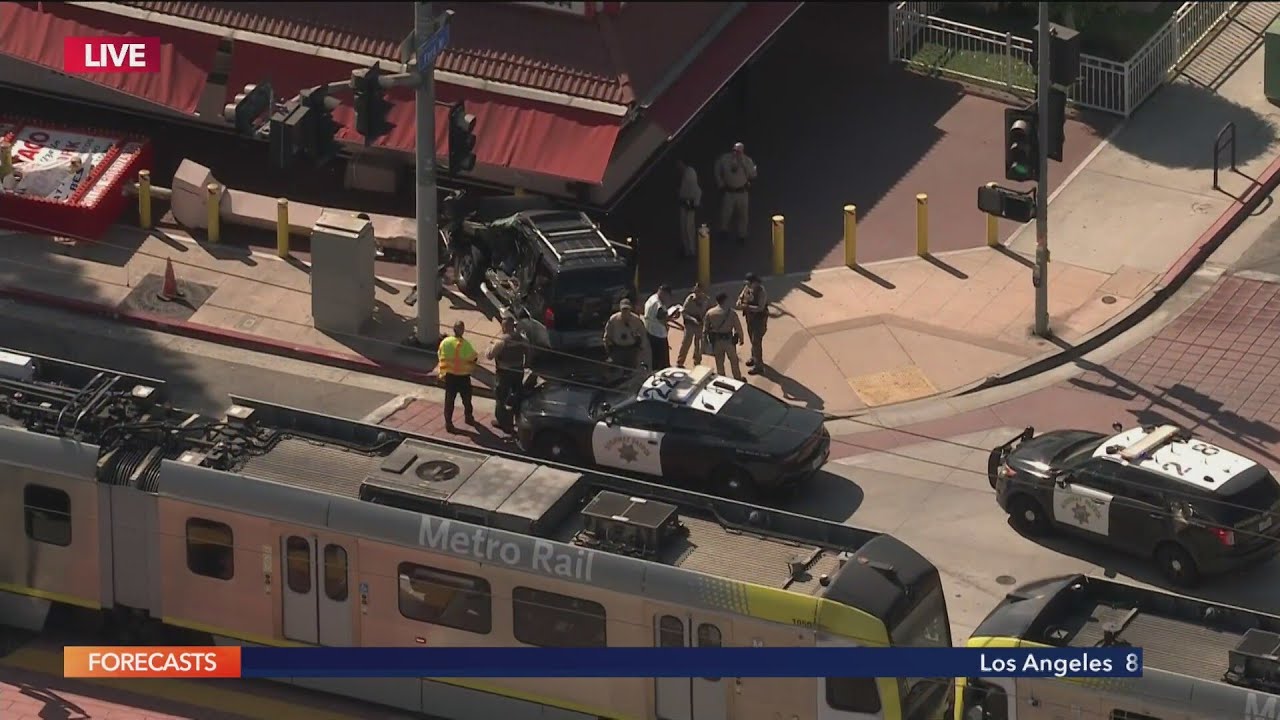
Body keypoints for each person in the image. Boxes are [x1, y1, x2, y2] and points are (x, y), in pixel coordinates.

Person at [486, 315, 527, 432]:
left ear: (504, 327)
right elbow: (529, 352)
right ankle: (517, 419)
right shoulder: (522, 339)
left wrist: (490, 345)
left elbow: (489, 355)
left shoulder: (502, 341)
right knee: (517, 395)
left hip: (504, 373)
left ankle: (502, 422)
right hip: (518, 371)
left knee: (501, 397)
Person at [437, 321, 478, 432]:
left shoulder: (445, 342)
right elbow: (474, 358)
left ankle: (448, 423)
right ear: (462, 330)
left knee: (449, 401)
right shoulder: (465, 345)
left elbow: (440, 354)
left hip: (450, 377)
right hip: (463, 377)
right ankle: (468, 418)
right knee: (467, 400)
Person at [714, 142, 758, 245]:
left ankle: (742, 235)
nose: (736, 153)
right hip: (729, 191)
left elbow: (753, 175)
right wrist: (720, 183)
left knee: (743, 215)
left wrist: (743, 164)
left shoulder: (747, 161)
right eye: (734, 150)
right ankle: (724, 230)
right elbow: (717, 167)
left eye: (738, 152)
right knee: (726, 213)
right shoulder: (725, 159)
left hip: (742, 192)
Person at [703, 292, 744, 380]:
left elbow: (705, 329)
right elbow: (738, 327)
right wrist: (741, 338)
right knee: (734, 361)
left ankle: (722, 379)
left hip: (716, 342)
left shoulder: (710, 313)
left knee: (719, 362)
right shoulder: (731, 313)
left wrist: (705, 341)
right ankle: (737, 378)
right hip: (729, 341)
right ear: (725, 300)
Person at [736, 272, 769, 374]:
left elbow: (760, 308)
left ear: (755, 282)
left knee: (756, 342)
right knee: (752, 339)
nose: (748, 285)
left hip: (759, 320)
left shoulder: (761, 292)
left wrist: (747, 307)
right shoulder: (747, 288)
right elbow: (741, 297)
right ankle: (754, 357)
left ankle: (759, 366)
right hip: (750, 319)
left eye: (750, 283)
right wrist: (739, 301)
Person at [603, 299, 650, 370]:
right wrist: (609, 350)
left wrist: (641, 349)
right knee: (617, 371)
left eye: (627, 309)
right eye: (623, 309)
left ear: (630, 309)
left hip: (631, 350)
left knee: (631, 370)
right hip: (618, 349)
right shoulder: (613, 319)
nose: (625, 312)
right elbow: (607, 335)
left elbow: (643, 334)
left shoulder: (636, 320)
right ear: (620, 309)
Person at [643, 284, 678, 371]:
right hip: (658, 334)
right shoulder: (658, 305)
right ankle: (664, 370)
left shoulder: (652, 298)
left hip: (649, 330)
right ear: (665, 294)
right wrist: (671, 315)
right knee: (662, 357)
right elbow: (662, 318)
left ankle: (656, 369)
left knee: (654, 355)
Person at [676, 282, 711, 368]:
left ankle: (697, 362)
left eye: (699, 291)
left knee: (698, 344)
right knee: (686, 342)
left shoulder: (706, 300)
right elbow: (684, 312)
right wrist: (693, 319)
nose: (697, 293)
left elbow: (708, 313)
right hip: (690, 323)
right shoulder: (690, 299)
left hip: (700, 324)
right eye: (696, 291)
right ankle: (680, 362)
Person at [677, 159, 702, 258]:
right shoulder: (682, 174)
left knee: (688, 227)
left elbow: (696, 190)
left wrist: (695, 203)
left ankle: (692, 250)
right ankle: (687, 250)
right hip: (683, 203)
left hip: (690, 203)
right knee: (683, 228)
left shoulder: (690, 173)